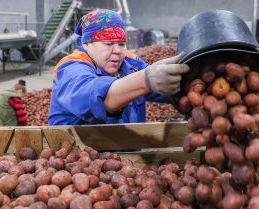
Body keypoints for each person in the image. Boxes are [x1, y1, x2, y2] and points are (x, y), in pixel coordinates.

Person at [48, 9, 190, 125]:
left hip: (126, 156)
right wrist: (146, 80)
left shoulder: (129, 64)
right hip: (80, 156)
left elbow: (169, 87)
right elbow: (97, 97)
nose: (117, 50)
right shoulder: (71, 68)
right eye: (108, 44)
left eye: (121, 44)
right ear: (86, 44)